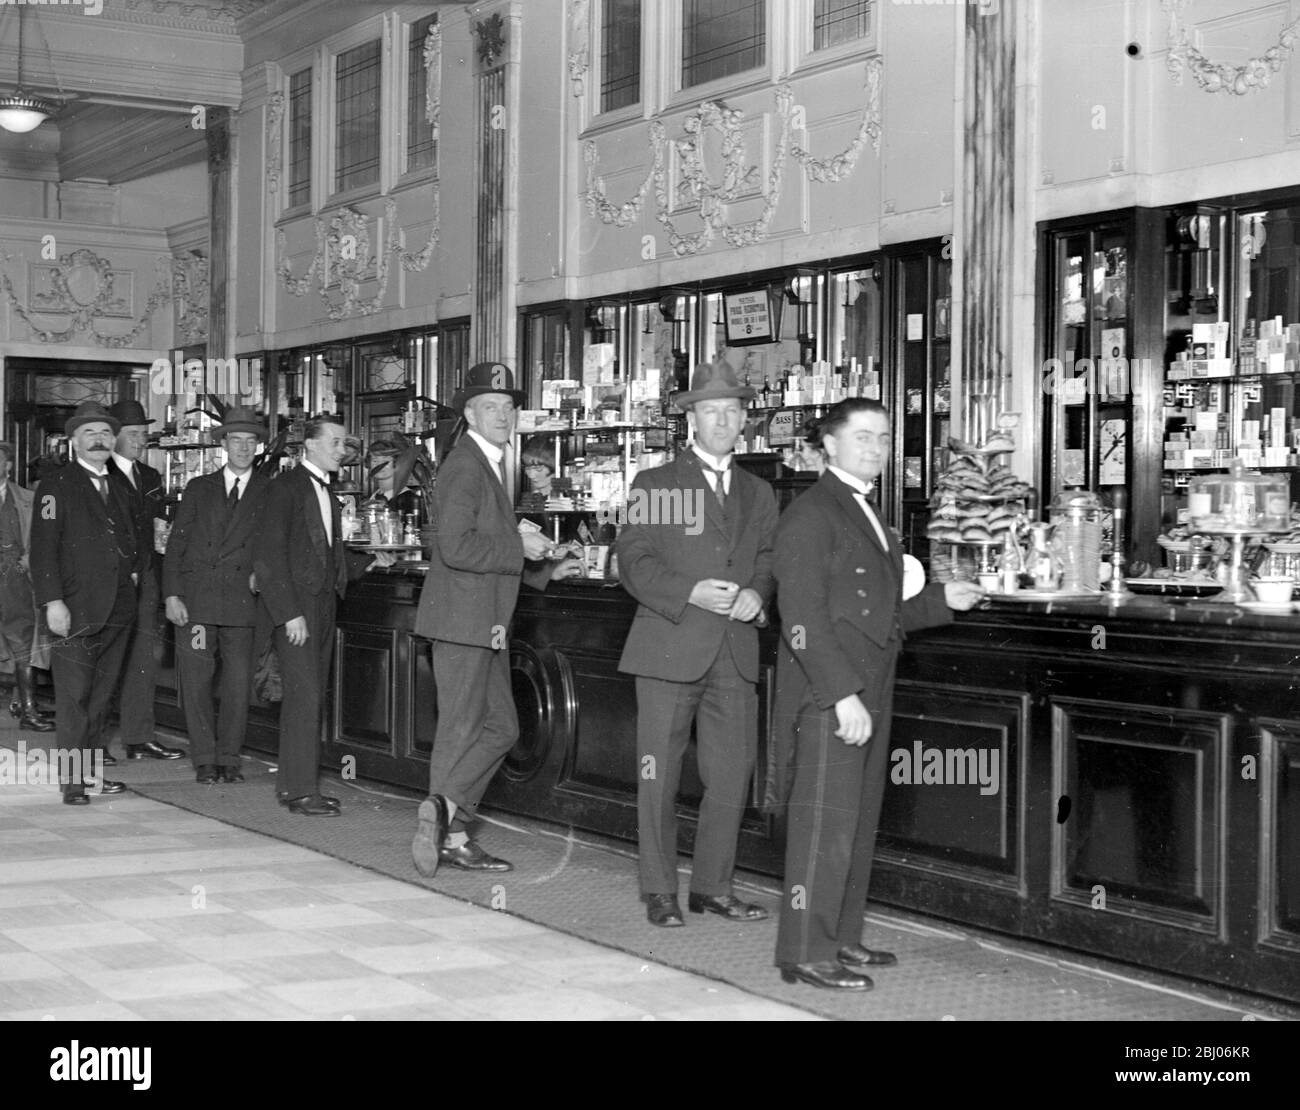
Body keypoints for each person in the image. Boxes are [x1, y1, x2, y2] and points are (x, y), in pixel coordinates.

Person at [770, 399, 983, 991]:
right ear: (829, 444)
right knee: (823, 824)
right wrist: (840, 695)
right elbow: (802, 616)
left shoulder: (864, 510)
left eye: (884, 438)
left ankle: (841, 936)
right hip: (832, 692)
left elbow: (877, 614)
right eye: (861, 436)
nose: (875, 448)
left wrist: (944, 601)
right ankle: (805, 951)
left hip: (871, 685)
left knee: (857, 822)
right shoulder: (811, 514)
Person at [615, 360, 778, 928]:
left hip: (735, 650)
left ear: (744, 422)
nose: (723, 421)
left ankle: (713, 887)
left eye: (732, 412)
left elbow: (766, 560)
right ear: (692, 420)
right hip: (669, 646)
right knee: (658, 773)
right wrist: (691, 592)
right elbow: (634, 562)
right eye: (712, 411)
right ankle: (660, 890)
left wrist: (758, 593)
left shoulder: (760, 493)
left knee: (732, 775)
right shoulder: (657, 485)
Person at [410, 362, 572, 875]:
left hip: (485, 623)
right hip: (463, 622)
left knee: (501, 728)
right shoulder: (464, 464)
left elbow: (490, 548)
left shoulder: (495, 464)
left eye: (508, 407)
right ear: (469, 414)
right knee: (462, 730)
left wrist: (547, 568)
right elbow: (454, 547)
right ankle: (451, 835)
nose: (502, 415)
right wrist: (519, 544)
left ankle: (443, 811)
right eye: (490, 407)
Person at [252, 416, 395, 816]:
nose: (341, 450)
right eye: (333, 443)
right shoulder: (284, 488)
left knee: (308, 697)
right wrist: (289, 614)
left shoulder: (326, 492)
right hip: (298, 610)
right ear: (309, 445)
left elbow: (326, 554)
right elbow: (268, 557)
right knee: (304, 697)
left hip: (322, 606)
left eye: (343, 443)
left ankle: (295, 785)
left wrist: (368, 563)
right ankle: (300, 792)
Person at [29, 401, 141, 805]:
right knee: (75, 698)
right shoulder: (55, 486)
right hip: (73, 609)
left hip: (118, 609)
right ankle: (74, 783)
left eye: (106, 434)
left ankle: (92, 773)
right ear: (74, 440)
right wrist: (53, 602)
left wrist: (132, 573)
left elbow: (132, 537)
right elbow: (43, 550)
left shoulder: (122, 485)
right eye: (90, 433)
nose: (100, 440)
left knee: (100, 697)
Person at [163, 407, 269, 785]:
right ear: (223, 444)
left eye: (250, 441)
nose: (243, 447)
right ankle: (205, 759)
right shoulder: (199, 487)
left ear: (258, 446)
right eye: (236, 440)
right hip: (198, 602)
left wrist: (264, 572)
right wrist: (172, 594)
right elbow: (176, 545)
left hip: (243, 602)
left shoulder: (269, 489)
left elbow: (276, 545)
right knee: (196, 682)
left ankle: (229, 758)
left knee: (238, 685)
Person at [107, 399, 183, 762]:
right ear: (114, 436)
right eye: (134, 435)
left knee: (143, 660)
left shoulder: (150, 477)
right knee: (105, 661)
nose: (142, 441)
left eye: (144, 435)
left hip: (148, 578)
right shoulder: (98, 475)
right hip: (112, 581)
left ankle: (139, 737)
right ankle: (93, 741)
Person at [0, 441, 53, 732]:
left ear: (8, 465)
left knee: (23, 644)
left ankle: (28, 710)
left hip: (16, 580)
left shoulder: (28, 499)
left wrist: (26, 561)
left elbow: (41, 538)